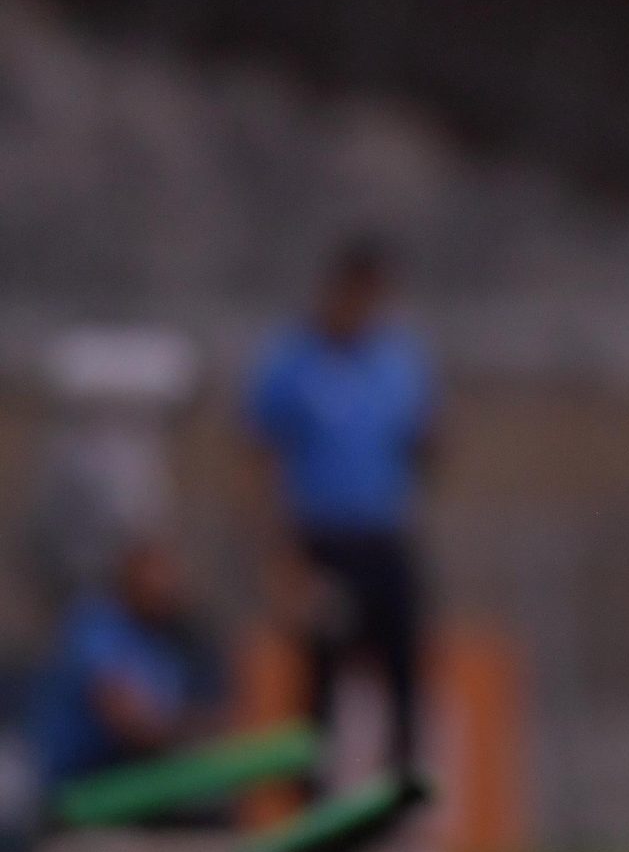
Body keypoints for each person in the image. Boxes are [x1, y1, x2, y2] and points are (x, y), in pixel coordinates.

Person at [245, 238, 437, 777]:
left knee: (403, 671)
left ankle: (403, 799)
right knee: (321, 679)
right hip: (322, 541)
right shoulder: (291, 360)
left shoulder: (398, 360)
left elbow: (421, 441)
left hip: (384, 537)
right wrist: (281, 556)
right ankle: (315, 799)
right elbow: (259, 456)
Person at [26, 534, 224, 795]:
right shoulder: (95, 627)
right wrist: (206, 733)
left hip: (144, 785)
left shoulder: (169, 639)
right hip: (80, 789)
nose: (164, 586)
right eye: (153, 575)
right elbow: (127, 719)